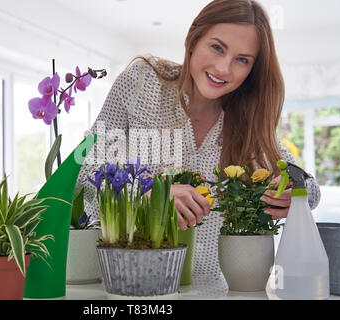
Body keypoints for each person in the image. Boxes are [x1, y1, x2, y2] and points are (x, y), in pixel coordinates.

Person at [77, 0, 320, 294]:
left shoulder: (247, 121)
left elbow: (310, 189)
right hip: (129, 284)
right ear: (194, 38)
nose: (223, 68)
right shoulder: (141, 82)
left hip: (213, 290)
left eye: (242, 59)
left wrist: (293, 191)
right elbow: (84, 173)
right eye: (217, 47)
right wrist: (150, 193)